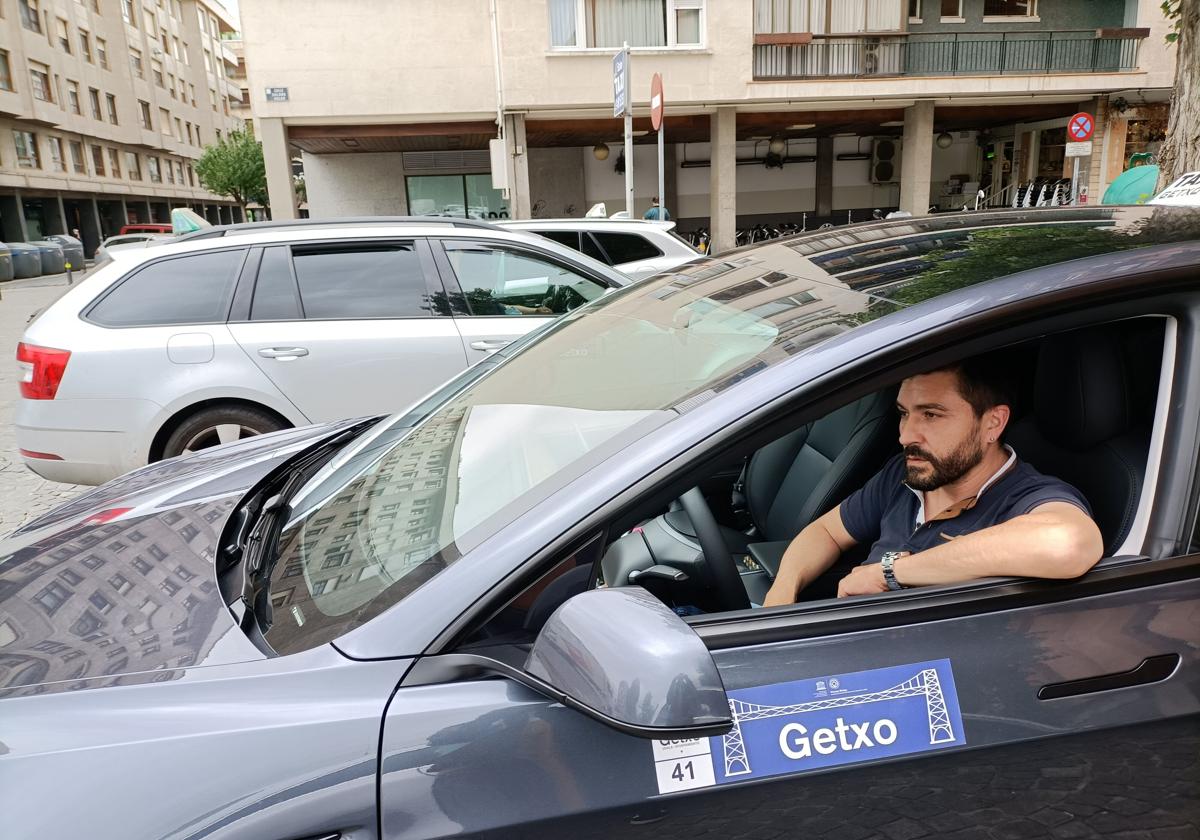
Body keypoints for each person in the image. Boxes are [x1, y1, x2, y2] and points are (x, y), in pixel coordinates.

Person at [762, 356, 1103, 606]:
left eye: (931, 415)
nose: (906, 435)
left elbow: (1068, 542)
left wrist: (890, 572)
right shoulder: (907, 472)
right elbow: (826, 532)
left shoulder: (1024, 497)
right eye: (904, 413)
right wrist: (783, 591)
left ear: (992, 424)